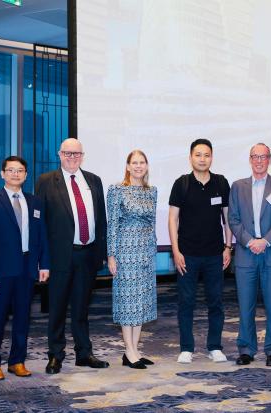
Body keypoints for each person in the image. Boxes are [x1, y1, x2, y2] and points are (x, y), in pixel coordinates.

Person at [36, 138, 109, 374]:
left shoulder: (94, 180)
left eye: (76, 153)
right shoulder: (46, 181)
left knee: (81, 308)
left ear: (82, 155)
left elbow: (101, 220)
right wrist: (42, 259)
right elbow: (41, 224)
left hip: (87, 254)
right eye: (67, 153)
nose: (72, 157)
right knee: (57, 308)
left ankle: (84, 353)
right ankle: (55, 355)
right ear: (59, 154)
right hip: (60, 257)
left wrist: (103, 253)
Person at [0, 156, 50, 380]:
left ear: (26, 175)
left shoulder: (35, 202)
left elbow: (42, 236)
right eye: (10, 170)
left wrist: (44, 264)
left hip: (27, 268)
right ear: (2, 173)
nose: (15, 174)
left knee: (22, 318)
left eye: (20, 171)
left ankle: (17, 361)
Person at [168, 138, 232, 364]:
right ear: (190, 157)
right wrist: (175, 251)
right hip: (187, 255)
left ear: (211, 157)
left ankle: (215, 346)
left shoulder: (221, 183)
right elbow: (172, 219)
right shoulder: (181, 183)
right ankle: (187, 348)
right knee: (186, 302)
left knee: (216, 302)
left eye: (206, 155)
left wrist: (228, 247)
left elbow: (227, 218)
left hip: (215, 254)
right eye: (198, 155)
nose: (202, 159)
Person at [227, 143, 271, 367]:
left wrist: (265, 241)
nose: (259, 161)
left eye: (263, 157)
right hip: (246, 254)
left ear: (269, 159)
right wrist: (249, 241)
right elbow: (232, 219)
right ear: (250, 159)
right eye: (255, 156)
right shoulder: (237, 186)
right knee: (245, 305)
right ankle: (246, 349)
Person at [106, 150, 158, 369]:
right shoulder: (117, 190)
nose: (138, 166)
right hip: (125, 253)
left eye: (142, 162)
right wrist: (111, 255)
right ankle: (129, 350)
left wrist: (153, 249)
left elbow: (152, 223)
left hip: (146, 253)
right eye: (134, 163)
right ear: (127, 166)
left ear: (146, 166)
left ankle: (134, 349)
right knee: (128, 304)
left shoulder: (152, 191)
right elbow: (113, 224)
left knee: (141, 304)